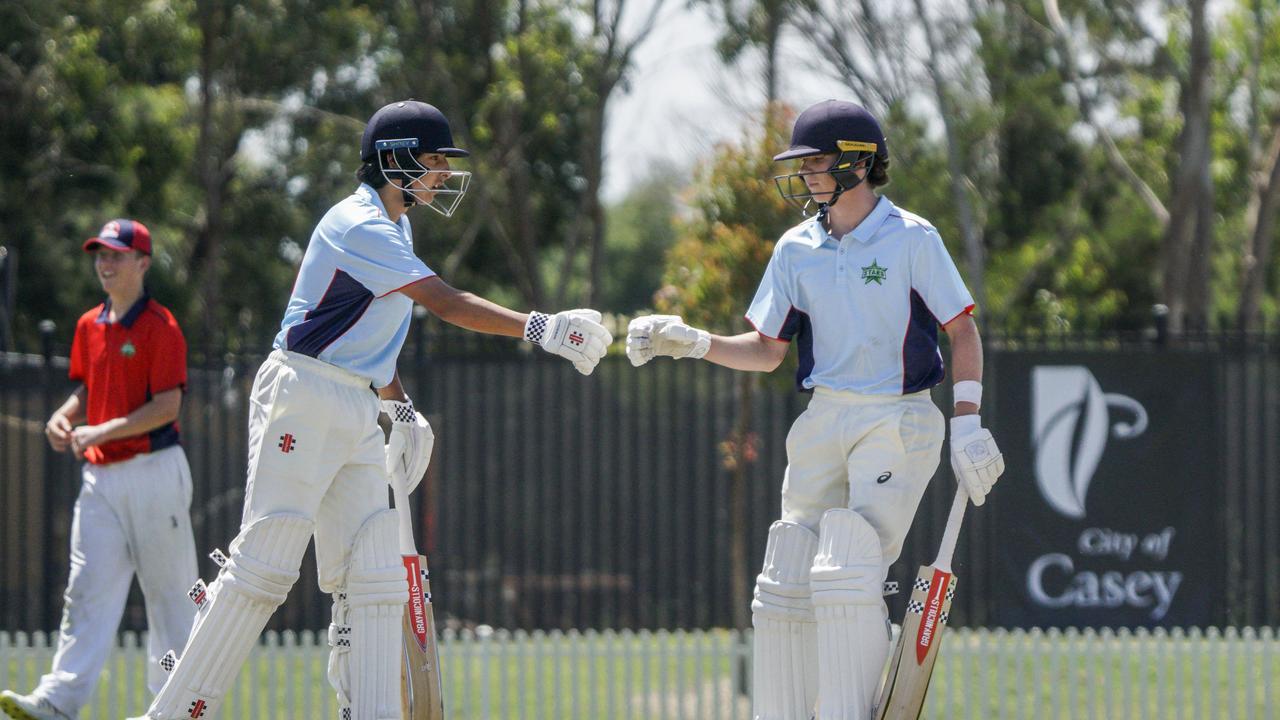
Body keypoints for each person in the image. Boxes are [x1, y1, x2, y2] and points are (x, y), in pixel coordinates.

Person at [132, 100, 611, 720]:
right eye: (433, 159)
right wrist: (539, 326)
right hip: (302, 394)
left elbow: (369, 342)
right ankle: (173, 712)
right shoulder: (356, 223)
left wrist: (401, 408)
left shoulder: (397, 230)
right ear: (394, 158)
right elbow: (443, 301)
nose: (441, 173)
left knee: (376, 569)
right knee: (268, 564)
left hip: (355, 403)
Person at [626, 99, 1005, 720]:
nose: (805, 174)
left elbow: (962, 329)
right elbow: (769, 350)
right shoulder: (796, 248)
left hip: (897, 415)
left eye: (816, 161)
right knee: (789, 572)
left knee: (847, 567)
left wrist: (967, 420)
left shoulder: (912, 237)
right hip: (825, 415)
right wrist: (692, 341)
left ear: (858, 163)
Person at [1, 220, 199, 720]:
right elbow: (89, 389)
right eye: (100, 255)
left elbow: (168, 406)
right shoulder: (90, 324)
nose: (105, 264)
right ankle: (59, 702)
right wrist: (66, 416)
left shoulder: (162, 326)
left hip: (155, 472)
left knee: (171, 597)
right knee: (85, 589)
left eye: (116, 255)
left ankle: (177, 708)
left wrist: (100, 431)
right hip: (100, 480)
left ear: (143, 263)